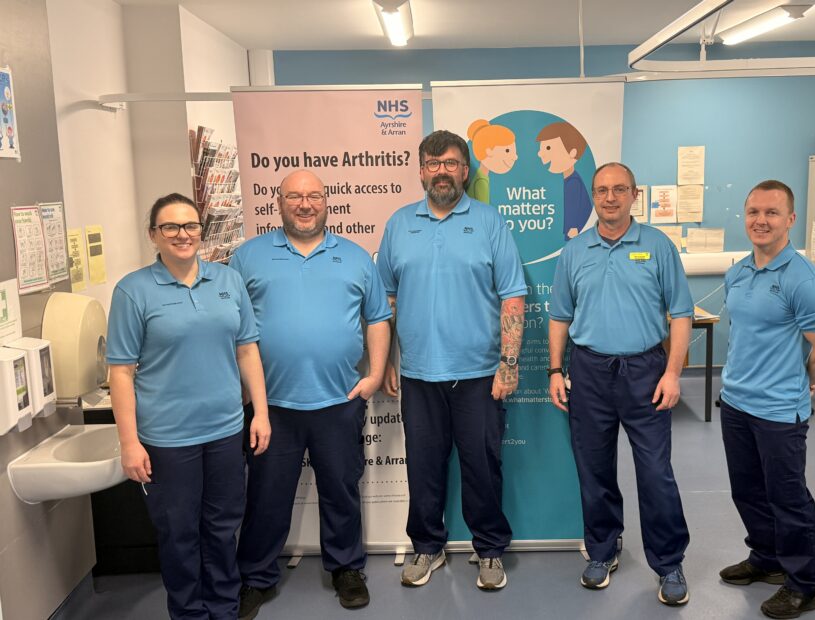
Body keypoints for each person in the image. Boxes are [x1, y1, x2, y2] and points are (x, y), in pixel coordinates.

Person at [231, 169, 391, 616]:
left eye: (314, 196)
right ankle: (257, 576)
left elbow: (377, 318)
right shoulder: (247, 258)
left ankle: (345, 568)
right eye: (295, 197)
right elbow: (231, 326)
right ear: (277, 203)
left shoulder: (357, 258)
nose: (305, 204)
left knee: (341, 489)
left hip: (339, 400)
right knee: (265, 494)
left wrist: (376, 374)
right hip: (271, 406)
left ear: (327, 203)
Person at [107, 193, 270, 620]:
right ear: (153, 235)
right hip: (167, 438)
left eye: (191, 226)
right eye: (171, 227)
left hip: (224, 430)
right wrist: (129, 443)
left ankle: (223, 608)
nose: (183, 235)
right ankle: (189, 614)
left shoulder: (227, 280)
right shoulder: (134, 290)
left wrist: (261, 414)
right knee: (179, 535)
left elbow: (248, 349)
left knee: (221, 528)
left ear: (202, 230)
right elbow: (121, 372)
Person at [377, 130, 526, 591]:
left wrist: (508, 363)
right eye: (433, 162)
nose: (442, 170)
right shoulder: (400, 223)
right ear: (421, 170)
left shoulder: (488, 222)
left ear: (465, 170)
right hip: (419, 373)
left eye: (451, 162)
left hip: (481, 374)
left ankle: (489, 550)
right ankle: (427, 547)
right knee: (423, 465)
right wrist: (384, 362)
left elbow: (513, 296)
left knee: (482, 465)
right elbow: (386, 300)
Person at [548, 162, 692, 606]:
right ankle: (603, 550)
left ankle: (669, 563)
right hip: (588, 371)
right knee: (593, 470)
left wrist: (672, 372)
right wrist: (556, 369)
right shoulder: (575, 251)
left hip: (646, 371)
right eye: (601, 190)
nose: (609, 198)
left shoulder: (657, 246)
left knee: (655, 472)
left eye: (619, 190)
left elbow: (681, 313)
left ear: (634, 194)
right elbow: (559, 316)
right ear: (593, 196)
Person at [718, 180, 815, 619]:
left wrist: (799, 380)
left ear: (790, 220)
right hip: (735, 402)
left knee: (788, 498)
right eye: (753, 212)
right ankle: (766, 559)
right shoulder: (738, 271)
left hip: (777, 412)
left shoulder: (803, 280)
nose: (761, 221)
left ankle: (804, 584)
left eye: (772, 213)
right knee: (747, 491)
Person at [535, 121, 593, 240]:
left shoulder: (573, 183)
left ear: (572, 153)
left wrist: (573, 228)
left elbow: (574, 211)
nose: (540, 154)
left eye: (548, 148)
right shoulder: (569, 180)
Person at [466, 118, 518, 203]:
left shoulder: (480, 178)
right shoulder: (480, 181)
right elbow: (484, 213)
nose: (515, 157)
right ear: (489, 151)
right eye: (507, 151)